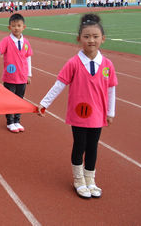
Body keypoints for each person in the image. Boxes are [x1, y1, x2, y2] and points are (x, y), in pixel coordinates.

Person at [37, 14, 117, 199]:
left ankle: (90, 179)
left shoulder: (107, 65)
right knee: (79, 145)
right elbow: (60, 84)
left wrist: (110, 112)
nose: (91, 40)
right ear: (79, 39)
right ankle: (78, 179)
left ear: (102, 39)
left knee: (93, 147)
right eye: (87, 36)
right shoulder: (73, 63)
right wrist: (44, 103)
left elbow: (111, 88)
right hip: (79, 114)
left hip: (97, 114)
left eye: (96, 36)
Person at [0, 13, 32, 133]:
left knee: (20, 99)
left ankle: (17, 120)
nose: (16, 28)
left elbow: (28, 58)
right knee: (9, 100)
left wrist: (29, 74)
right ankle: (10, 122)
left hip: (22, 77)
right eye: (13, 26)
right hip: (10, 78)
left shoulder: (26, 42)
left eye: (19, 25)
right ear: (9, 27)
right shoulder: (6, 41)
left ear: (23, 27)